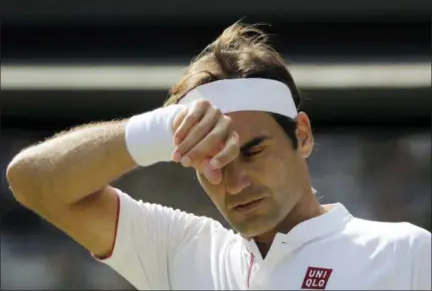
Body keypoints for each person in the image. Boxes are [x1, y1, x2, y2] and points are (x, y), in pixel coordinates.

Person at [6, 23, 431, 290]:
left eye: (253, 150)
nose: (236, 181)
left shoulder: (405, 253)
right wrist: (153, 132)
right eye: (213, 158)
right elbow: (31, 180)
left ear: (301, 136)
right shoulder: (182, 250)